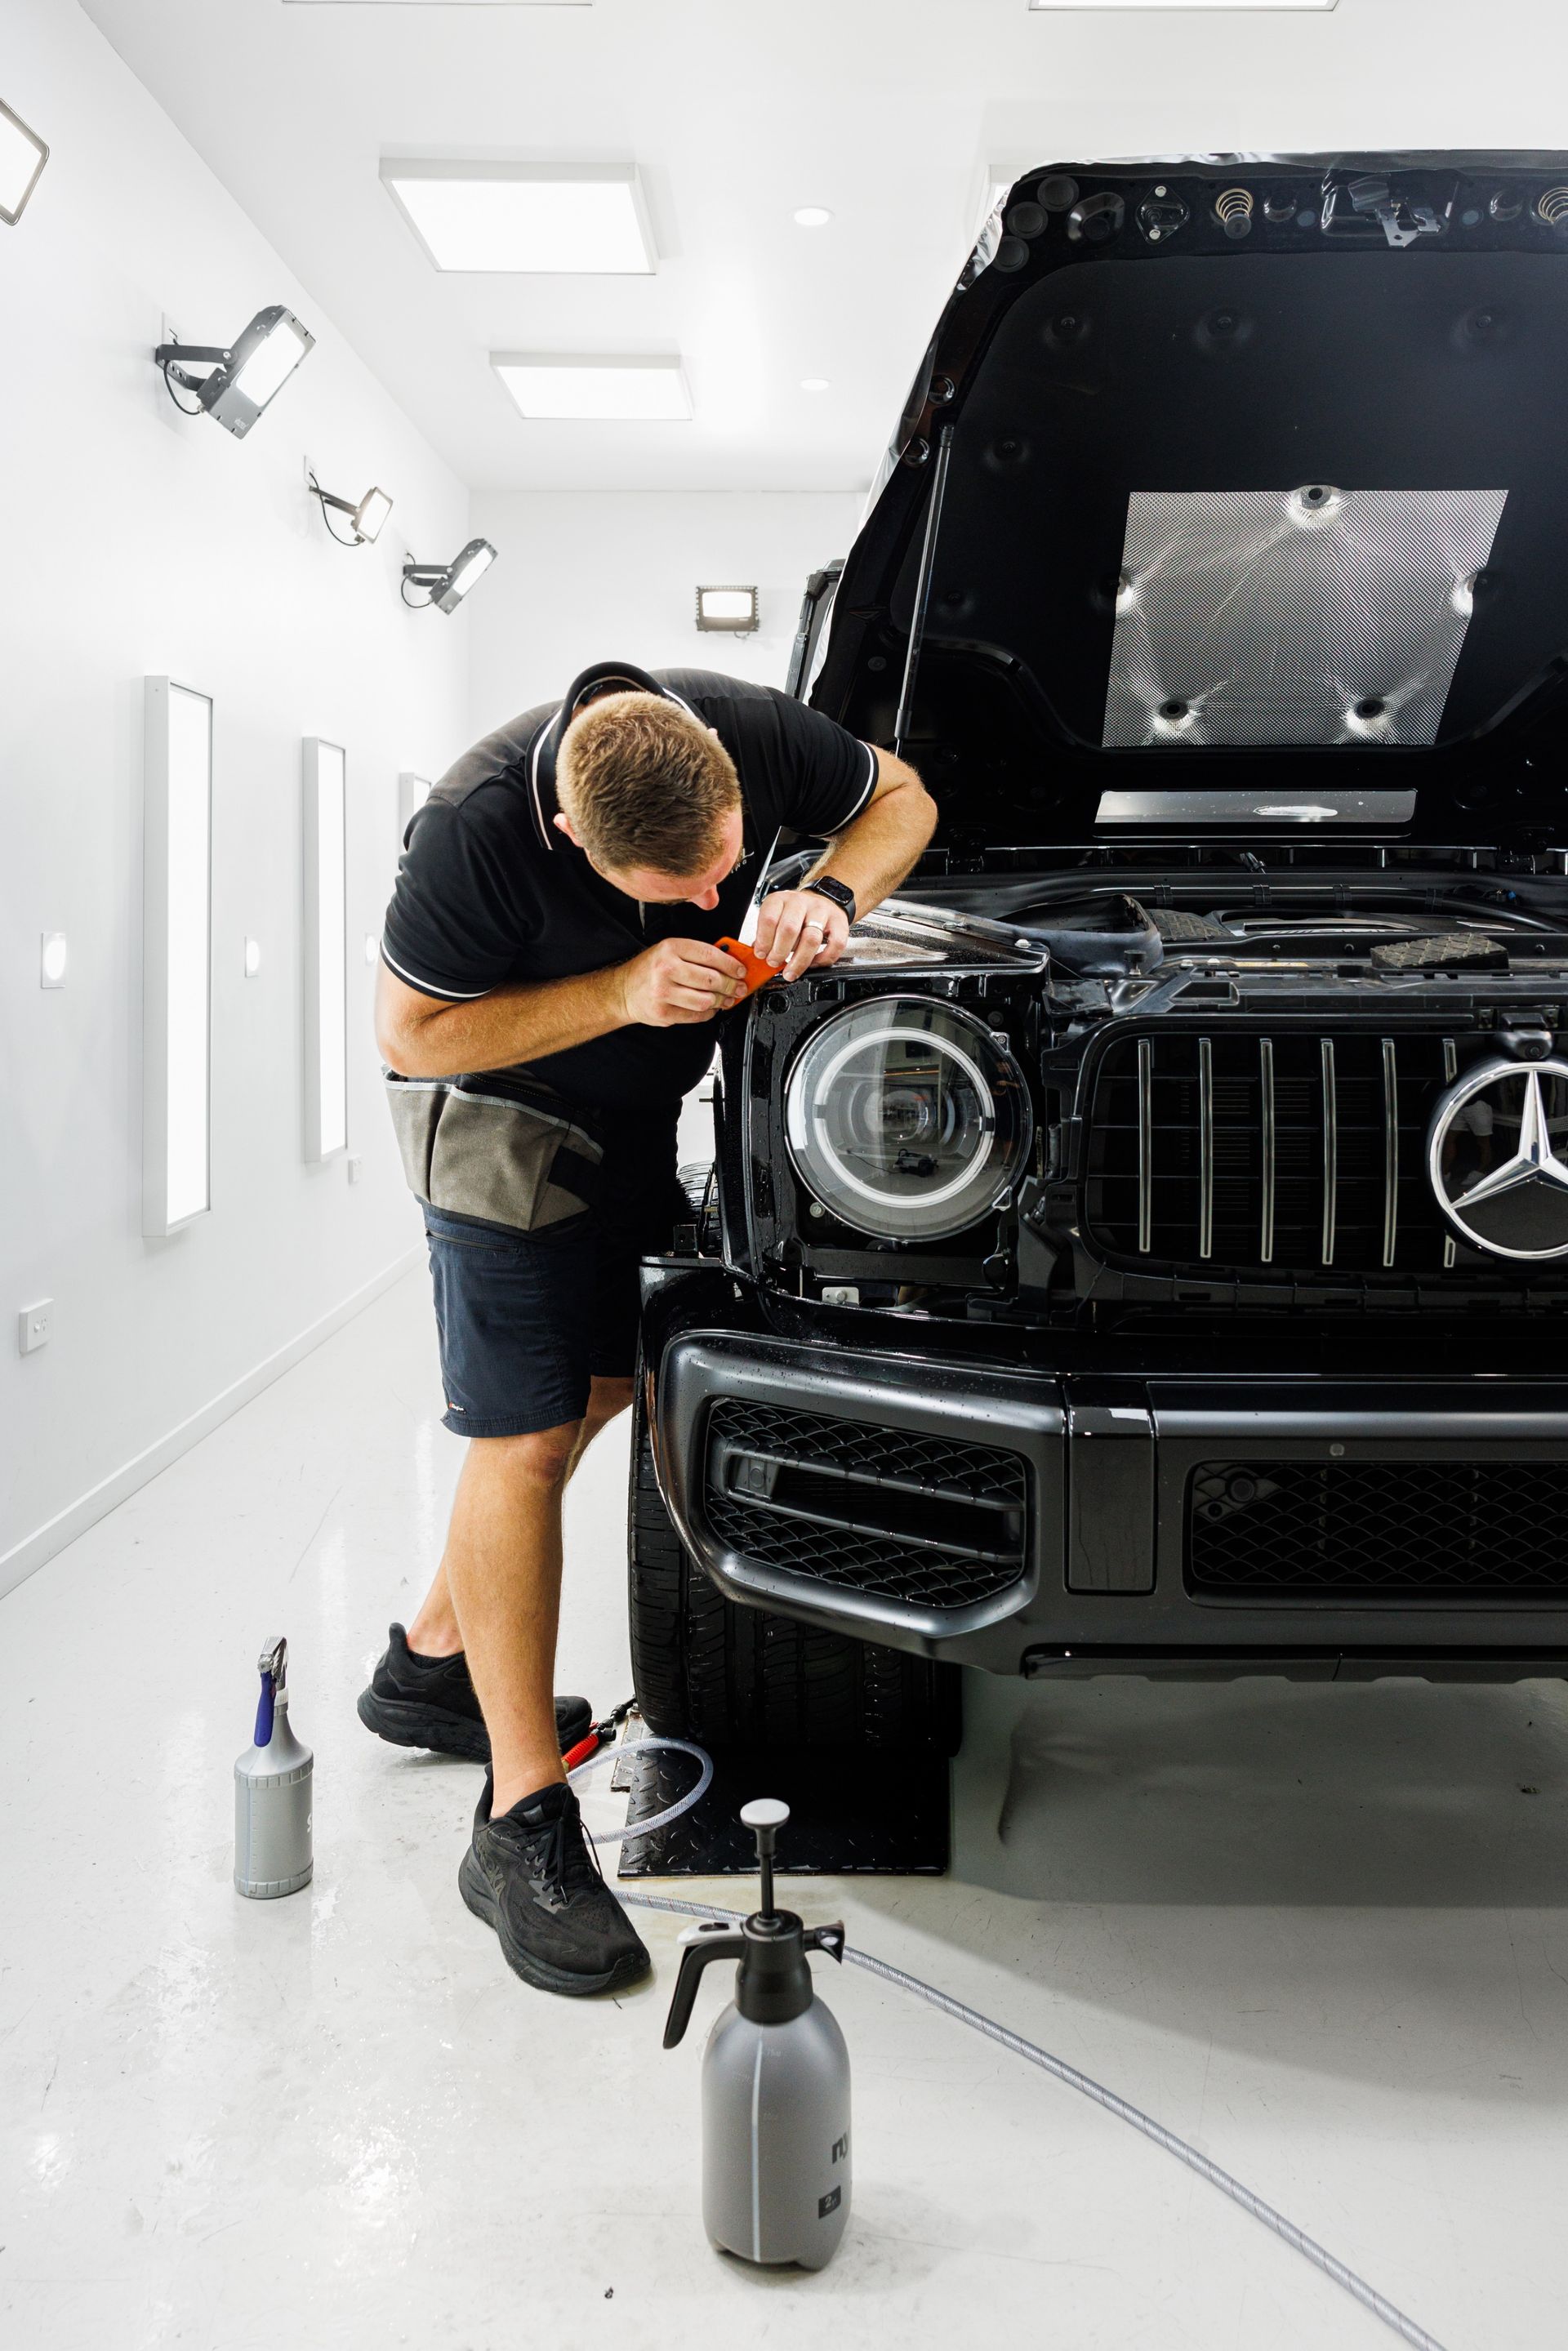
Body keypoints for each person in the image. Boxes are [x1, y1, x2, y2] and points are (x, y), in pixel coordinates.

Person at [358, 661, 936, 1997]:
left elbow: (902, 798)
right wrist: (621, 992)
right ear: (571, 837)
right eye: (679, 889)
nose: (714, 896)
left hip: (630, 1112)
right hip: (496, 1114)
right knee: (523, 1436)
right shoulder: (475, 831)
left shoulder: (739, 730)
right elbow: (414, 1029)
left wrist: (829, 889)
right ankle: (518, 1824)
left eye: (729, 864)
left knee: (613, 1381)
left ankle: (434, 1663)